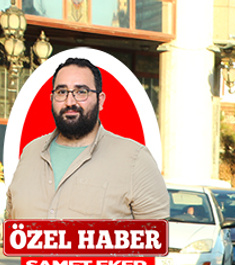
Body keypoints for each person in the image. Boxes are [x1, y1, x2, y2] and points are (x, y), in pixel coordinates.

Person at [4, 57, 168, 220]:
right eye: (61, 92)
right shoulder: (30, 152)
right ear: (52, 99)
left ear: (100, 100)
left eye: (81, 92)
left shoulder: (135, 159)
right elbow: (10, 229)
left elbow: (156, 241)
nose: (70, 102)